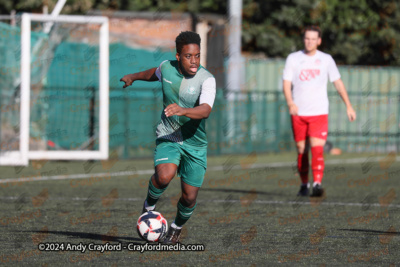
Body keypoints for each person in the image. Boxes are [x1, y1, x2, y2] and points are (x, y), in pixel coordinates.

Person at [120, 31, 216, 244]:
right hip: (169, 135)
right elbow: (153, 73)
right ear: (178, 56)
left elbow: (205, 110)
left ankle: (176, 228)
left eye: (197, 56)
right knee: (164, 176)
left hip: (195, 144)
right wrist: (132, 77)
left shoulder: (207, 79)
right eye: (189, 56)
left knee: (189, 197)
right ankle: (149, 206)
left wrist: (183, 110)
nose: (194, 61)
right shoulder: (167, 67)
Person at [282, 25, 356, 197]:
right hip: (299, 113)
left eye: (313, 39)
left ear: (319, 41)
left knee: (317, 149)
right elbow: (286, 83)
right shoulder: (293, 58)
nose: (310, 42)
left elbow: (337, 82)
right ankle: (303, 184)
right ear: (303, 39)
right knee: (302, 150)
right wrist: (290, 102)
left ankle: (317, 184)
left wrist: (349, 105)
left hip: (319, 112)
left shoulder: (326, 59)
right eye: (307, 38)